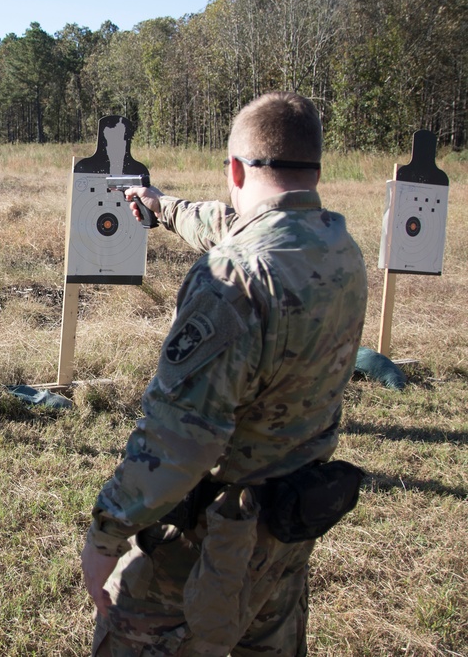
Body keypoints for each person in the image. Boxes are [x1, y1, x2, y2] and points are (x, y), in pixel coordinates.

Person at [81, 91, 367, 656]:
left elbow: (181, 436)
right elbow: (239, 225)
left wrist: (107, 530)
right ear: (314, 166)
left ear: (235, 168)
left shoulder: (231, 277)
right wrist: (163, 207)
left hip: (212, 541)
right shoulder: (337, 244)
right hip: (287, 526)